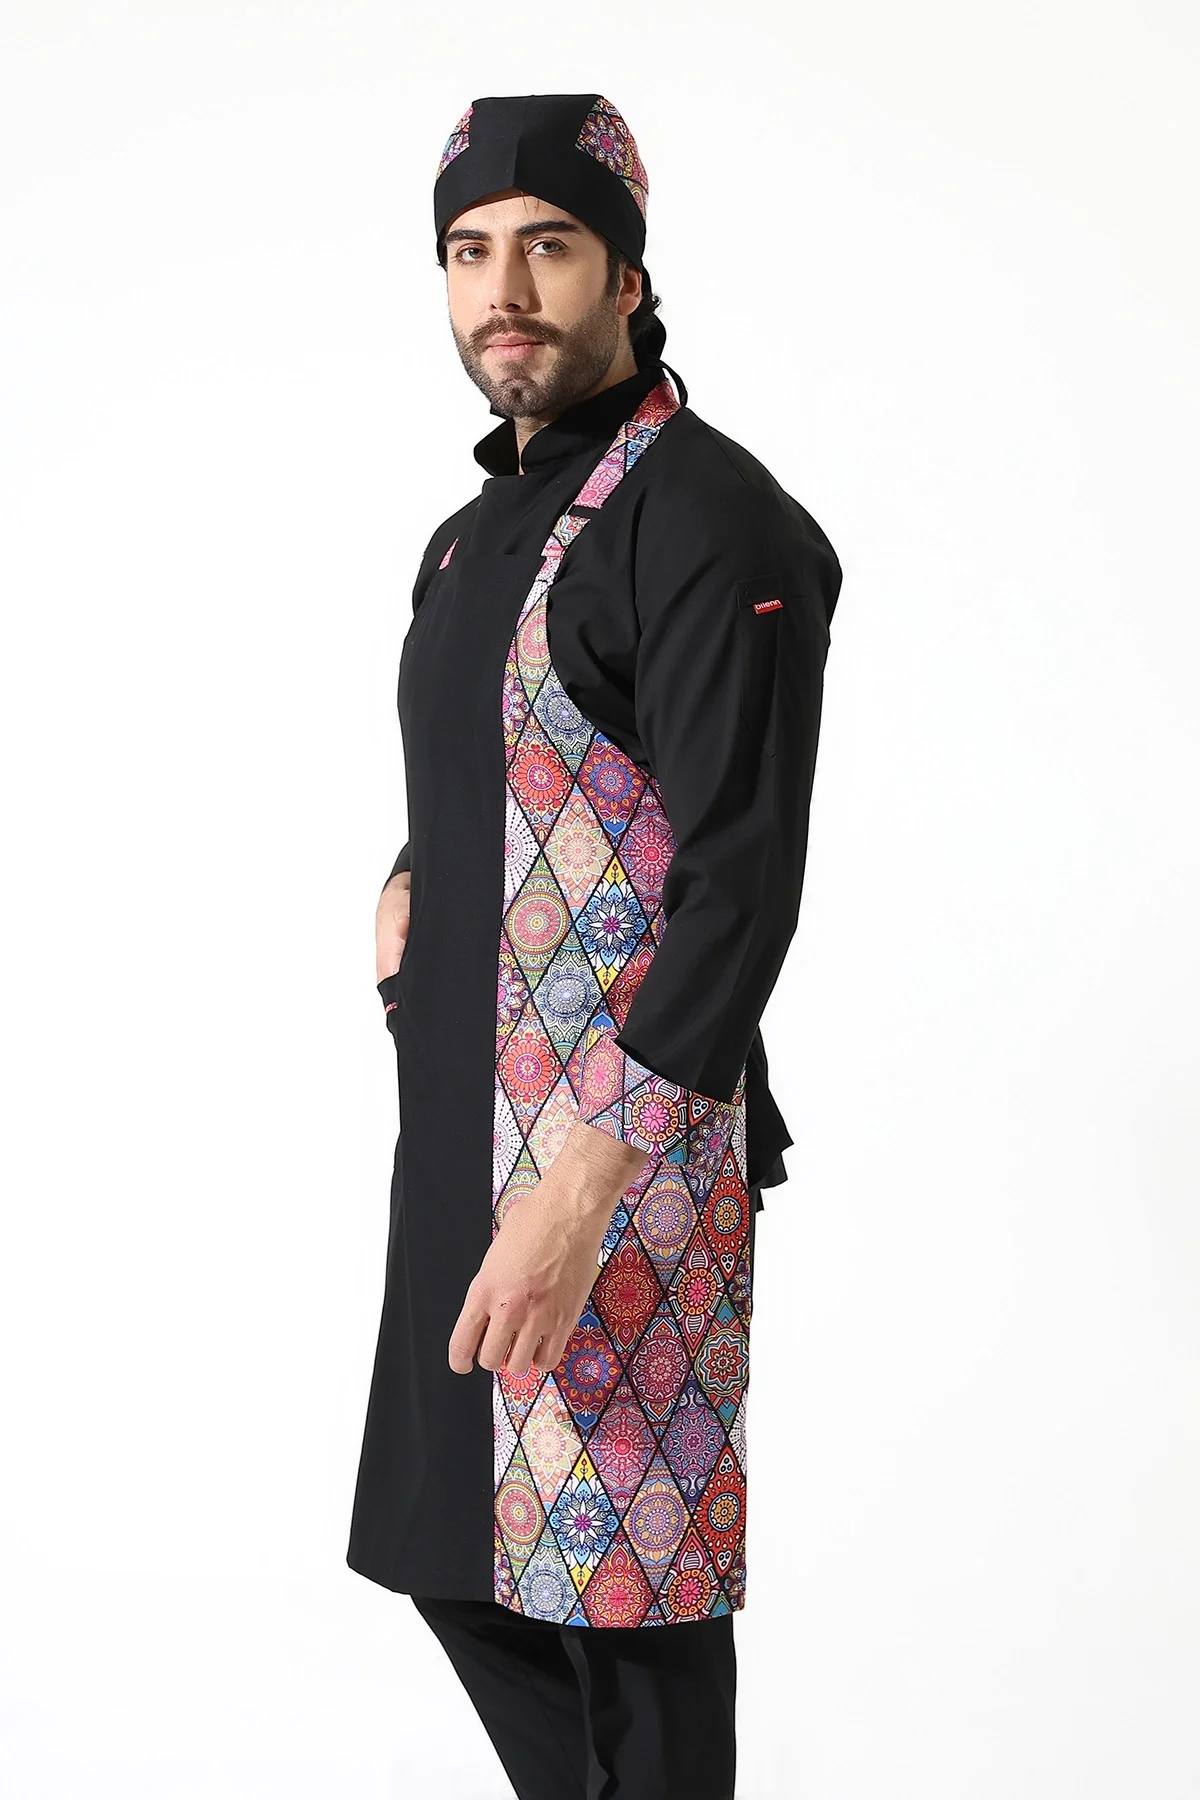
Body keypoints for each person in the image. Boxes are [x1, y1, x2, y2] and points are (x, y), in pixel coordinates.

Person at [347, 91, 842, 1799]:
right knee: (456, 1557)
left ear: (626, 274)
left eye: (549, 246)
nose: (504, 289)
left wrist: (585, 1180)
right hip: (456, 1137)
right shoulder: (468, 532)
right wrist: (407, 889)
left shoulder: (709, 517)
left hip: (620, 1153)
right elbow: (512, 761)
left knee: (630, 1619)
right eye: (469, 251)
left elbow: (740, 877)